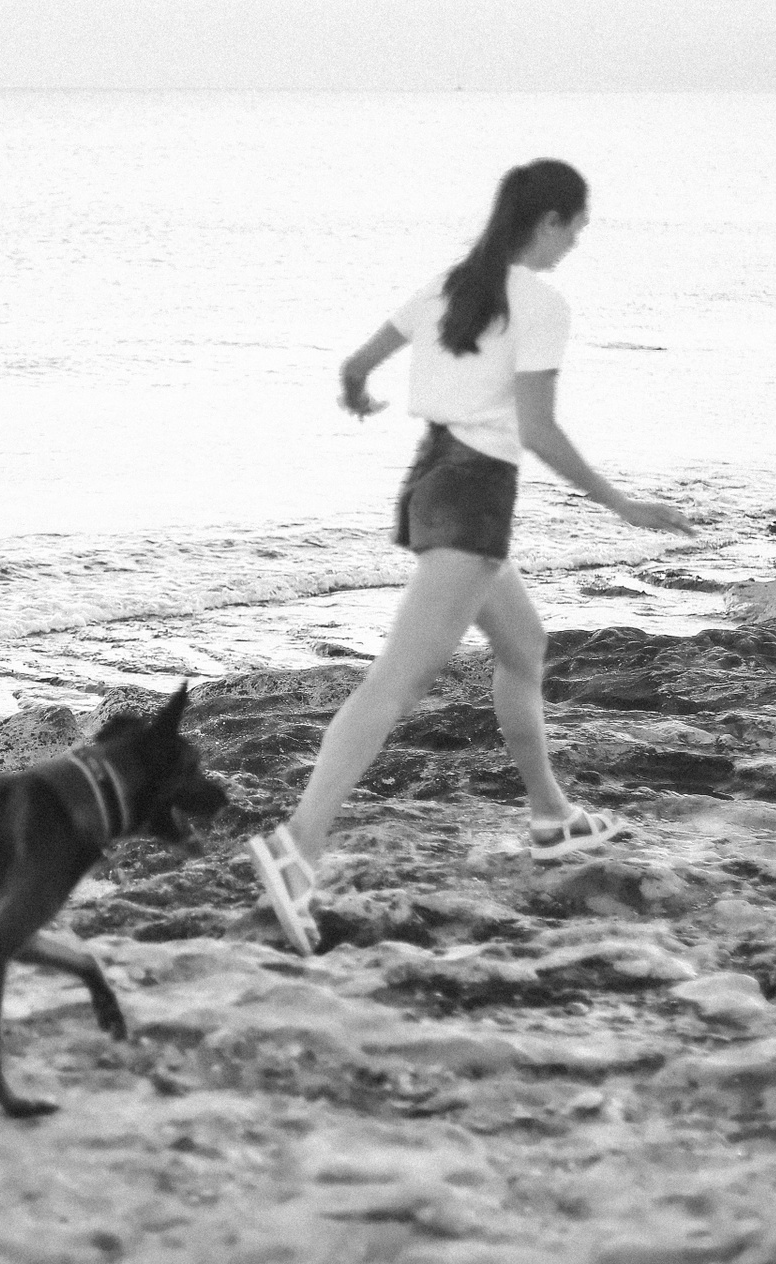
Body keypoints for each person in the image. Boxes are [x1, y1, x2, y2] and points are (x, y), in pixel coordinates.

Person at [247, 158, 696, 957]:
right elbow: (538, 429)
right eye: (576, 227)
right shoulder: (541, 303)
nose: (576, 242)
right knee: (395, 683)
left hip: (432, 479)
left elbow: (356, 367)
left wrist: (357, 395)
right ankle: (297, 846)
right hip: (476, 494)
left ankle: (551, 816)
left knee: (524, 646)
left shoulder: (451, 285)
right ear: (550, 221)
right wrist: (621, 503)